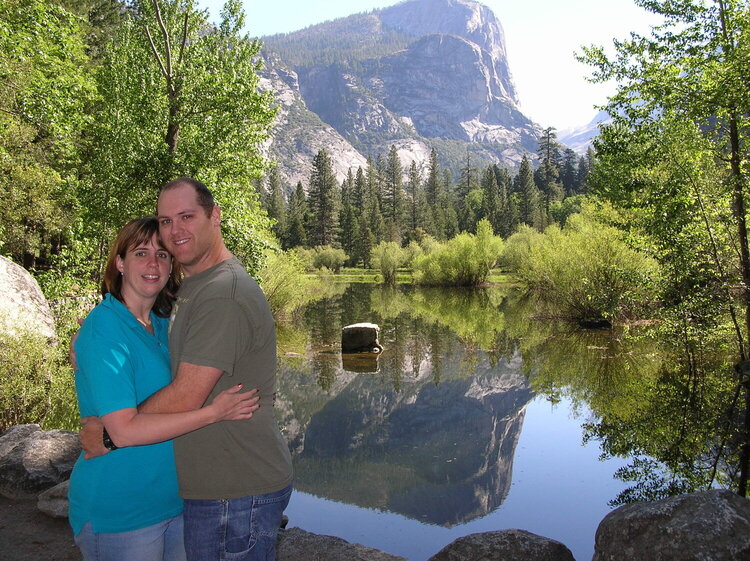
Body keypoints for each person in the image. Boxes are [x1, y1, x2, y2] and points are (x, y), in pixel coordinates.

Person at [81, 178, 294, 561]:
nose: (175, 232)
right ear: (119, 262)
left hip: (232, 491)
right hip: (174, 497)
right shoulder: (184, 297)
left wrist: (113, 435)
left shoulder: (219, 294)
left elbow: (186, 393)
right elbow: (109, 348)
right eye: (166, 221)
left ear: (215, 216)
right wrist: (84, 346)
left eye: (186, 216)